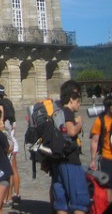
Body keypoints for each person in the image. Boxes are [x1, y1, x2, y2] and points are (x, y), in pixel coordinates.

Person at [50, 83, 90, 214]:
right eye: (78, 100)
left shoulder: (57, 112)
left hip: (58, 161)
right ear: (71, 99)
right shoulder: (67, 112)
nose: (79, 104)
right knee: (80, 202)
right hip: (70, 161)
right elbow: (71, 131)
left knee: (61, 203)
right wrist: (79, 122)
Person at [0, 83, 20, 207]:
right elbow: (14, 124)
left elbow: (0, 122)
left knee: (6, 171)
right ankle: (15, 195)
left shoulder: (0, 105)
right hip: (12, 138)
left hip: (5, 140)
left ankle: (7, 198)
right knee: (13, 170)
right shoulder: (9, 103)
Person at [90, 95, 112, 204]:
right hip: (107, 158)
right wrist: (93, 159)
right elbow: (95, 141)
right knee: (108, 187)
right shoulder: (100, 120)